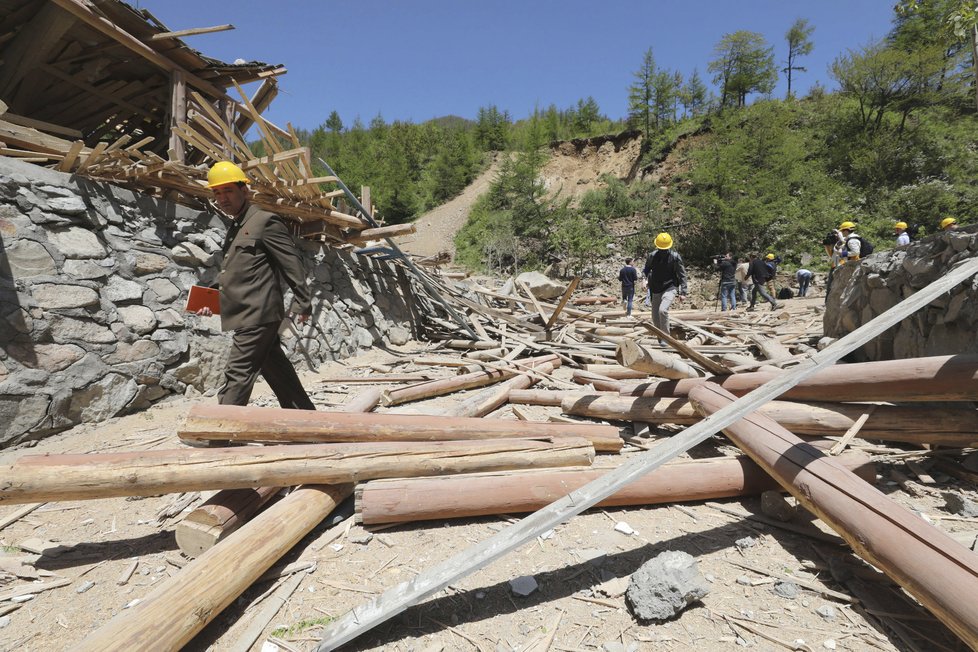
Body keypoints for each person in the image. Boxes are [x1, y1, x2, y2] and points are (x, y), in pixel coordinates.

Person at [197, 161, 316, 412]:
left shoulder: (265, 221)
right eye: (217, 193)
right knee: (277, 370)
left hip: (258, 313)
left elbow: (291, 263)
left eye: (228, 190)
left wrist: (303, 302)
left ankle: (220, 432)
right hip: (246, 311)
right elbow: (234, 271)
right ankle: (304, 419)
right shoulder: (237, 225)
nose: (222, 198)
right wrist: (210, 299)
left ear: (245, 191)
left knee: (238, 371)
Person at [642, 232, 687, 339]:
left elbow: (682, 274)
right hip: (656, 288)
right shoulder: (652, 256)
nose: (663, 251)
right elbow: (646, 270)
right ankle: (660, 337)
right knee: (655, 317)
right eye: (661, 249)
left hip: (670, 287)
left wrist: (683, 292)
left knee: (662, 310)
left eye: (665, 249)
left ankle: (666, 339)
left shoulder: (675, 257)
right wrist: (644, 280)